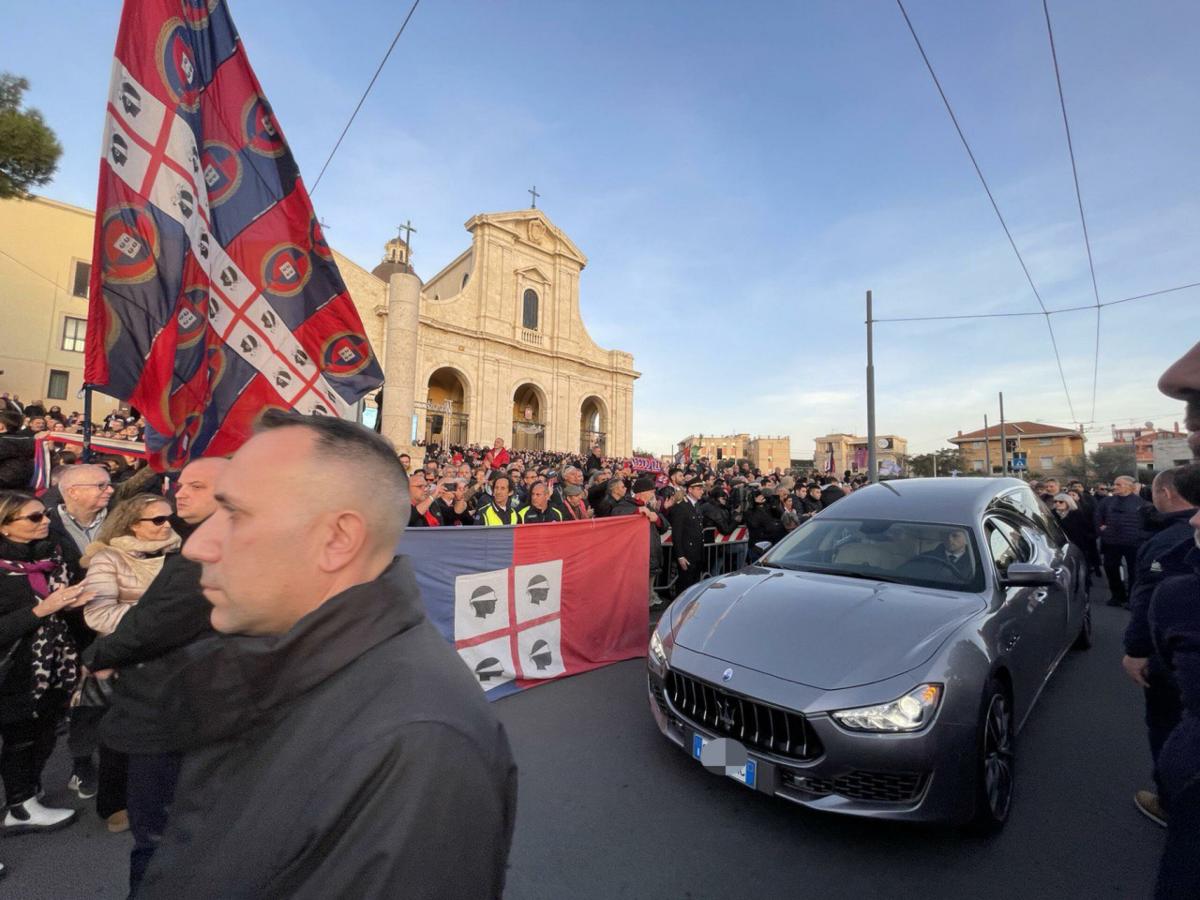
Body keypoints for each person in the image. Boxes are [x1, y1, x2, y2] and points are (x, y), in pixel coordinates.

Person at [138, 411, 517, 898]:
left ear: (338, 539)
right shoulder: (273, 662)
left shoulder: (419, 748)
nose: (199, 547)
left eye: (234, 514)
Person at [80, 458, 225, 894]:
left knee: (160, 838)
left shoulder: (203, 551)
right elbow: (114, 615)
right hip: (177, 703)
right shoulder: (201, 547)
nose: (178, 497)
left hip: (172, 708)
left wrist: (99, 653)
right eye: (179, 485)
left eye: (195, 486)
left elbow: (156, 623)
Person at [80, 493, 181, 835]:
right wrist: (161, 620)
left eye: (170, 518)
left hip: (175, 655)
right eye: (158, 520)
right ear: (133, 525)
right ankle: (115, 803)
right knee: (121, 734)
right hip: (126, 658)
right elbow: (98, 613)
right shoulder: (109, 558)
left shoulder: (184, 554)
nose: (167, 525)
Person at [0, 491, 92, 835]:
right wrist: (42, 609)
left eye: (45, 515)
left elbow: (58, 604)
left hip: (54, 662)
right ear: (5, 526)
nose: (47, 522)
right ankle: (20, 806)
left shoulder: (52, 554)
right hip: (14, 671)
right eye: (34, 518)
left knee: (42, 734)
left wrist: (70, 603)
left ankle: (25, 794)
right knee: (20, 738)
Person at [1120, 465, 1200, 828]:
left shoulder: (1166, 541)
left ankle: (1172, 802)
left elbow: (1146, 602)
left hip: (1173, 658)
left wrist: (1136, 651)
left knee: (1168, 723)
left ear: (1166, 493)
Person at [610, 474, 666, 604]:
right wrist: (637, 510)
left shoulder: (650, 506)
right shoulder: (625, 504)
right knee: (634, 598)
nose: (653, 495)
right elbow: (616, 514)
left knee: (647, 596)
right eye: (651, 492)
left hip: (651, 557)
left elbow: (665, 526)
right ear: (642, 493)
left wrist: (657, 519)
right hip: (635, 558)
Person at [1097, 475, 1151, 607]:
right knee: (1110, 568)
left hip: (1134, 543)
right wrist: (1102, 531)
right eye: (1114, 484)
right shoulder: (1107, 502)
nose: (1114, 487)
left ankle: (1132, 599)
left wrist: (1141, 535)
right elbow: (1098, 517)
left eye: (1118, 484)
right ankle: (1117, 596)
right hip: (1112, 542)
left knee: (1134, 572)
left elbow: (1149, 523)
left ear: (1129, 487)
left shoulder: (1141, 503)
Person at [667, 476, 707, 595]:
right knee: (685, 586)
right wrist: (680, 556)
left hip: (697, 552)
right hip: (687, 553)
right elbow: (677, 534)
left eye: (702, 489)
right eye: (699, 489)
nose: (702, 491)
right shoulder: (681, 507)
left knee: (694, 585)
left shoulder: (697, 505)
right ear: (690, 490)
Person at [744, 488, 785, 562]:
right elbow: (755, 523)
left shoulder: (768, 507)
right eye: (757, 496)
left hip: (770, 543)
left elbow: (780, 515)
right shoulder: (749, 512)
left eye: (761, 495)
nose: (761, 497)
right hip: (756, 545)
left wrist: (774, 506)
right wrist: (758, 507)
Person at [1051, 493, 1094, 558]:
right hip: (1060, 543)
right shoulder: (1052, 514)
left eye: (1061, 502)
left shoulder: (1076, 513)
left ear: (1068, 502)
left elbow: (1085, 528)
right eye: (1055, 501)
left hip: (1077, 543)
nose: (1057, 503)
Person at [0, 410, 33, 491]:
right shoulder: (26, 439)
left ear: (2, 425)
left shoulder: (4, 442)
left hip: (4, 484)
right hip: (20, 485)